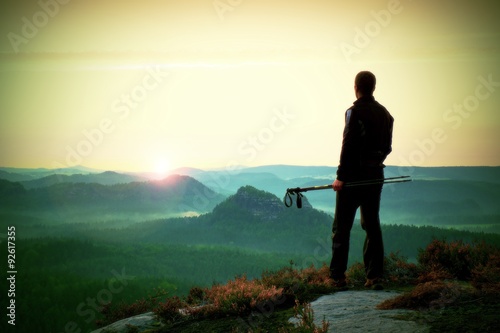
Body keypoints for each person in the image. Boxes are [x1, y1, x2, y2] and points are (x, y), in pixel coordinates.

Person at [330, 71, 394, 290]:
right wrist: (374, 162)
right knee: (372, 225)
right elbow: (387, 147)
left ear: (356, 87)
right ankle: (374, 276)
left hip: (352, 179)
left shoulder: (353, 112)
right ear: (373, 87)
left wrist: (340, 177)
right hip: (375, 176)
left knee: (342, 227)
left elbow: (348, 146)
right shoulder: (386, 114)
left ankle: (338, 278)